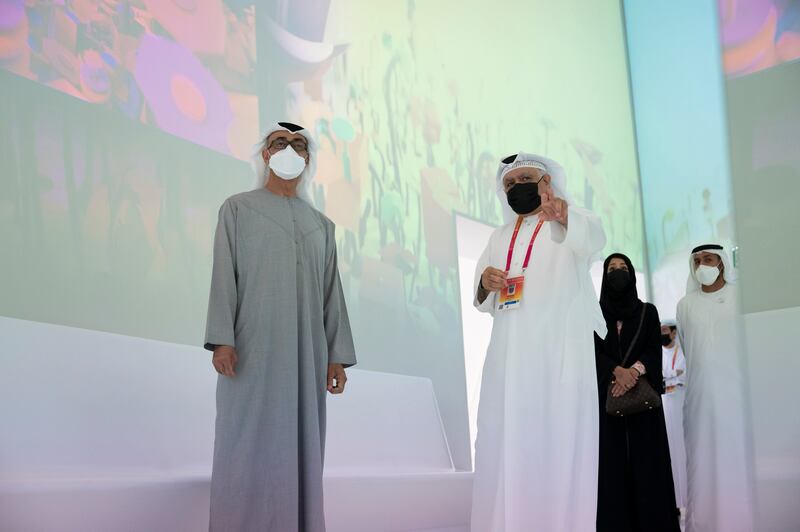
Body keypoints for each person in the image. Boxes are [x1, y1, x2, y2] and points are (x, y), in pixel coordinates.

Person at [204, 122, 357, 532]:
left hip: (307, 358)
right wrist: (222, 339)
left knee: (300, 447)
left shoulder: (321, 225)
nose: (289, 149)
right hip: (251, 352)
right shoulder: (237, 209)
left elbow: (331, 293)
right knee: (243, 444)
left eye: (299, 145)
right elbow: (224, 276)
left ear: (307, 160)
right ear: (266, 155)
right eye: (280, 142)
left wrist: (336, 357)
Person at [471, 152, 607, 531]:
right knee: (506, 451)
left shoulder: (572, 220)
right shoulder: (499, 236)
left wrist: (563, 217)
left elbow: (594, 239)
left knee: (559, 449)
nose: (517, 188)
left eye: (525, 179)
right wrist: (485, 283)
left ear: (547, 183)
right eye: (510, 184)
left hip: (558, 360)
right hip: (509, 362)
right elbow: (481, 298)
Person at [594, 253, 680, 532]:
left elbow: (654, 350)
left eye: (623, 268)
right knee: (612, 469)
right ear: (604, 277)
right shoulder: (594, 314)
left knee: (649, 467)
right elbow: (590, 352)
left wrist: (633, 372)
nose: (618, 272)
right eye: (611, 268)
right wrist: (616, 371)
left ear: (631, 274)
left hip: (644, 404)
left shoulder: (647, 311)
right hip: (609, 402)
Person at [677, 244, 755, 532]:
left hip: (735, 394)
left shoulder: (739, 297)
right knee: (703, 459)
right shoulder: (685, 304)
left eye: (707, 259)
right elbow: (688, 347)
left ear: (721, 263)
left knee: (736, 456)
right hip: (700, 397)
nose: (701, 266)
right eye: (697, 261)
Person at [660, 320, 687, 510]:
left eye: (665, 331)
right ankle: (675, 503)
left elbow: (683, 375)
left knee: (683, 450)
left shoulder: (682, 352)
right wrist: (672, 375)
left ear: (674, 332)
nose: (662, 334)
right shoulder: (658, 353)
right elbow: (661, 374)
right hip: (664, 405)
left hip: (679, 404)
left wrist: (670, 375)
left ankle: (686, 498)